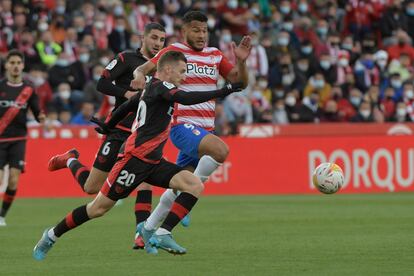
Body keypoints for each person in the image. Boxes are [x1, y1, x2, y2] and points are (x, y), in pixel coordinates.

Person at [32, 51, 243, 260]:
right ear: (167, 70)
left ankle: (162, 233)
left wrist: (108, 124)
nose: (184, 76)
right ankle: (51, 235)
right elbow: (185, 98)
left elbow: (128, 105)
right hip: (133, 161)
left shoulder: (150, 87)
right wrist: (225, 90)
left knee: (194, 185)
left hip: (153, 161)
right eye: (181, 71)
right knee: (97, 208)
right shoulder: (162, 86)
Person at [130, 11, 251, 253]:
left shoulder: (215, 55)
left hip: (205, 129)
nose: (201, 35)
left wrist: (241, 62)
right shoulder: (174, 52)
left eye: (204, 30)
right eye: (196, 30)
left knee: (180, 187)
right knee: (220, 150)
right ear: (184, 31)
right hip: (181, 125)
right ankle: (164, 232)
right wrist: (138, 77)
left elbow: (240, 83)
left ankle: (149, 229)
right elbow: (143, 69)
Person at [46, 23, 166, 249]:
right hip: (118, 130)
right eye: (154, 38)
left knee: (145, 181)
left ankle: (141, 235)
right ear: (143, 38)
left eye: (162, 39)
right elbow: (102, 82)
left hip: (142, 134)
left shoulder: (163, 67)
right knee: (91, 188)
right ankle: (70, 159)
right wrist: (127, 93)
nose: (158, 43)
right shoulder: (127, 59)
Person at [0, 50, 45, 226]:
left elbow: (36, 111)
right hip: (0, 140)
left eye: (18, 62)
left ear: (23, 65)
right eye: (12, 62)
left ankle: (2, 215)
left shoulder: (28, 89)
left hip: (18, 139)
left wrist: (40, 117)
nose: (16, 66)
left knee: (13, 179)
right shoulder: (1, 87)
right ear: (6, 65)